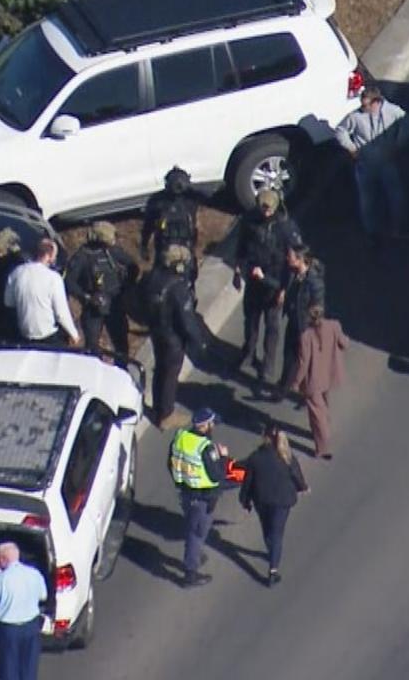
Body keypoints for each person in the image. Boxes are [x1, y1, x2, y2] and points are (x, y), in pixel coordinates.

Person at [233, 188, 302, 386]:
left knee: (272, 327)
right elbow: (241, 245)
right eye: (263, 208)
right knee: (251, 321)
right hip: (254, 282)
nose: (266, 212)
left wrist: (284, 290)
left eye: (269, 209)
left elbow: (295, 261)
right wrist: (237, 271)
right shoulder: (250, 220)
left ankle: (268, 364)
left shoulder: (286, 228)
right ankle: (248, 354)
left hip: (275, 283)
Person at [334, 86, 409, 243]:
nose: (363, 108)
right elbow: (340, 131)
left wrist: (399, 142)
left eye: (366, 105)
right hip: (365, 164)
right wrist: (352, 149)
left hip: (387, 163)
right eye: (362, 104)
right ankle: (371, 232)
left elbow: (407, 121)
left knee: (396, 196)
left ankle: (397, 228)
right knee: (367, 199)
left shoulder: (392, 111)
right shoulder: (355, 117)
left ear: (377, 103)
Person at [142, 244, 208, 429]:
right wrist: (199, 342)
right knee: (170, 375)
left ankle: (158, 407)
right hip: (173, 338)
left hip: (156, 332)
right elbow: (187, 321)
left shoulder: (153, 278)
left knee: (160, 370)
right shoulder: (178, 287)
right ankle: (166, 414)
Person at [238, 423, 309, 585]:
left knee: (267, 530)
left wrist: (245, 500)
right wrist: (303, 487)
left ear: (266, 438)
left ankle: (272, 551)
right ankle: (273, 570)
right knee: (277, 533)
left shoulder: (255, 458)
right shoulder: (287, 457)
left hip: (261, 500)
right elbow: (297, 476)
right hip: (282, 501)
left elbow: (248, 481)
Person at [168, 407, 229, 587]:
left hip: (185, 493)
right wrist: (223, 457)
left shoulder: (180, 438)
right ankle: (190, 572)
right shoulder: (205, 448)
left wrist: (182, 482)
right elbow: (217, 475)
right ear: (204, 427)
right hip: (203, 498)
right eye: (211, 424)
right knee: (197, 532)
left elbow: (170, 463)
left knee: (194, 528)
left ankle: (194, 555)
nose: (213, 427)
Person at [65, 221, 139, 357]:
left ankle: (122, 371)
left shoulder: (112, 252)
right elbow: (69, 282)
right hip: (92, 308)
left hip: (115, 305)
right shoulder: (82, 256)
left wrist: (126, 287)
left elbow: (133, 267)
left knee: (121, 345)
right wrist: (85, 297)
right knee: (92, 348)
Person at [0, 542, 47, 680]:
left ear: (3, 559)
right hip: (31, 627)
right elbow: (43, 596)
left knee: (9, 671)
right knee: (29, 671)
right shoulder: (34, 574)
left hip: (8, 631)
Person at [290, 305, 349, 459]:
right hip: (329, 375)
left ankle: (322, 447)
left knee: (317, 415)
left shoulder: (306, 337)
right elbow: (344, 344)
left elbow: (303, 363)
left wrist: (296, 382)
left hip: (313, 381)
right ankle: (325, 430)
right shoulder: (334, 326)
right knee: (324, 405)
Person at [3, 237, 80, 347]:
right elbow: (61, 313)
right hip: (49, 336)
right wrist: (74, 334)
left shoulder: (16, 273)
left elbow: (8, 302)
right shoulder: (53, 278)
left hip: (24, 336)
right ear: (49, 255)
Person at [276, 243, 326, 401]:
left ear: (299, 260)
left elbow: (317, 309)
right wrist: (283, 292)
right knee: (289, 357)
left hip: (305, 328)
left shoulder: (314, 283)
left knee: (308, 363)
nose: (287, 258)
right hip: (293, 322)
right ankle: (282, 388)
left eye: (290, 256)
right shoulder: (293, 273)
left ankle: (313, 394)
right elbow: (287, 284)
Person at [141, 166, 201, 279]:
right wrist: (144, 246)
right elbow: (148, 226)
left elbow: (147, 227)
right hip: (166, 248)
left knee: (187, 277)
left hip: (184, 247)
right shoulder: (158, 201)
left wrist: (144, 246)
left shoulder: (190, 198)